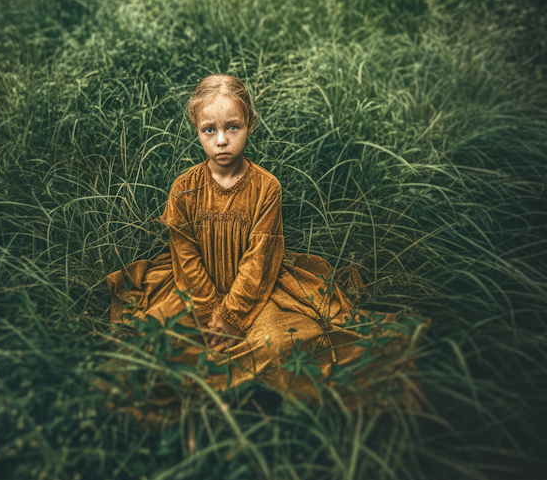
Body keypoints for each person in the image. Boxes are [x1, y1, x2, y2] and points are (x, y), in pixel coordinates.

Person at [106, 74, 423, 408]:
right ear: (196, 128)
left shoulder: (266, 187)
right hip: (195, 289)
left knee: (278, 342)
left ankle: (257, 390)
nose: (222, 141)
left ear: (250, 124)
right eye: (209, 130)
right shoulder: (184, 188)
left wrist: (230, 316)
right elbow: (185, 257)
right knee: (158, 339)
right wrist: (208, 312)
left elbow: (259, 259)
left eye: (233, 127)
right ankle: (205, 392)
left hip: (258, 291)